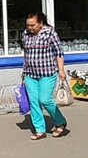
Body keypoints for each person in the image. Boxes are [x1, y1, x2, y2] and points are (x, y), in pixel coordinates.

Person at [20, 10, 69, 140]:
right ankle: (39, 130)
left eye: (33, 25)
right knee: (34, 102)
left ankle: (60, 121)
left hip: (47, 73)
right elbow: (26, 54)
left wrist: (61, 70)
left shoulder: (50, 33)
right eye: (28, 25)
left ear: (41, 23)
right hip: (30, 74)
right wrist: (23, 72)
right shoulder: (25, 34)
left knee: (45, 99)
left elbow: (59, 52)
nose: (30, 28)